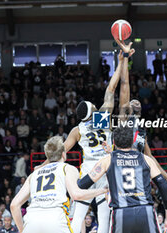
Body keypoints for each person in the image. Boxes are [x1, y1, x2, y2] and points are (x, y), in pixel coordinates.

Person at [38, 46, 131, 233]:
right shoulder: (102, 117)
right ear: (93, 111)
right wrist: (121, 62)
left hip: (88, 169)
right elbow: (111, 88)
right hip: (105, 167)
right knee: (104, 216)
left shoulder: (77, 129)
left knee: (78, 213)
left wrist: (42, 165)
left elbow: (59, 152)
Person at [77, 126, 167, 233]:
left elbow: (83, 184)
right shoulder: (146, 159)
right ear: (133, 140)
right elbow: (164, 187)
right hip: (145, 211)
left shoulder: (107, 160)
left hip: (121, 212)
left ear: (113, 141)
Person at [116, 39, 167, 189]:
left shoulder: (141, 130)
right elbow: (125, 83)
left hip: (138, 174)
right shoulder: (124, 118)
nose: (135, 102)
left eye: (136, 101)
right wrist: (126, 57)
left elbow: (150, 158)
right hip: (120, 170)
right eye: (132, 102)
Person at [10, 136, 108, 233]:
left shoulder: (33, 174)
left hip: (32, 221)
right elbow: (76, 195)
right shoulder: (67, 168)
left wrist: (22, 230)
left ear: (48, 156)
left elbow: (14, 205)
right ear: (63, 154)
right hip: (55, 218)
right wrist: (102, 190)